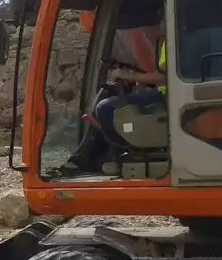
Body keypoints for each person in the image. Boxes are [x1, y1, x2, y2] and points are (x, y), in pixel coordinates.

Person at [64, 35, 168, 174]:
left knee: (105, 108)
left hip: (166, 96)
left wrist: (128, 76)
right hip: (163, 92)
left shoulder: (175, 40)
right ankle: (86, 156)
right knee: (108, 96)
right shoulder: (171, 39)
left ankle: (118, 158)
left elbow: (164, 76)